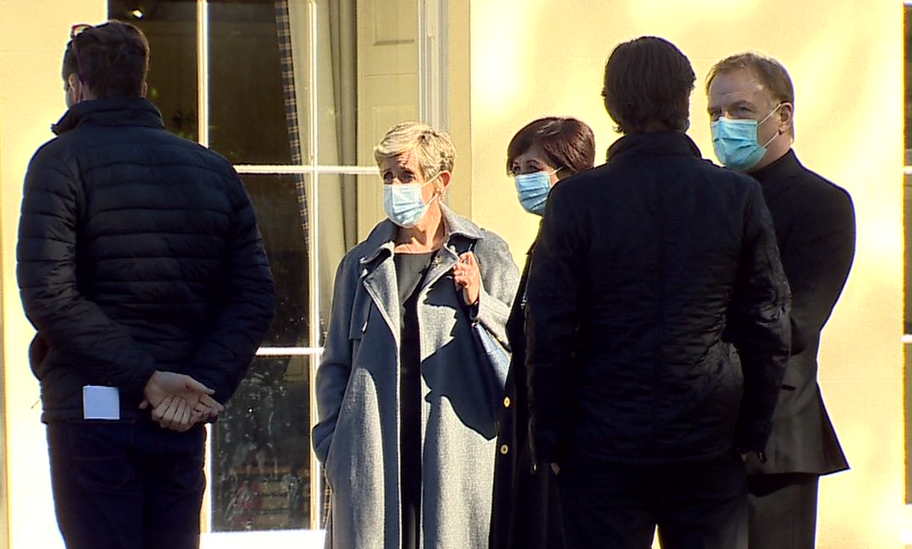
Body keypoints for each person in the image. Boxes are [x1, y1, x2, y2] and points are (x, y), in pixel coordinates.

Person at [525, 36, 792, 549]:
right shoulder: (735, 195)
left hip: (600, 439)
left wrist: (551, 436)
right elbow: (767, 322)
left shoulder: (577, 201)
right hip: (707, 437)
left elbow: (551, 328)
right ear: (686, 102)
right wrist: (751, 430)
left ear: (612, 107)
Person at [17, 21, 276, 549]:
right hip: (177, 413)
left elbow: (49, 293)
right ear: (142, 83)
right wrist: (198, 386)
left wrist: (148, 379)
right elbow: (252, 295)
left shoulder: (60, 160)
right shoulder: (211, 168)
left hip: (94, 411)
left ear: (76, 85)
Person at [312, 121, 519, 548]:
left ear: (440, 182)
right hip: (373, 454)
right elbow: (335, 365)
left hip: (456, 454)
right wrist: (335, 446)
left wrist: (480, 302)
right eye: (387, 176)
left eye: (406, 175)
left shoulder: (484, 252)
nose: (395, 186)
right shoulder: (361, 263)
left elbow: (520, 348)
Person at [706, 51, 856, 549]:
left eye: (741, 111)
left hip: (775, 443)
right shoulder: (706, 200)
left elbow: (794, 324)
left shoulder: (822, 204)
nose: (724, 124)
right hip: (697, 440)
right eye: (714, 114)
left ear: (782, 116)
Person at [489, 116, 596, 549]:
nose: (522, 181)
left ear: (568, 171)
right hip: (530, 438)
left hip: (566, 444)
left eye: (532, 169)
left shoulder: (583, 242)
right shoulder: (544, 240)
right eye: (516, 170)